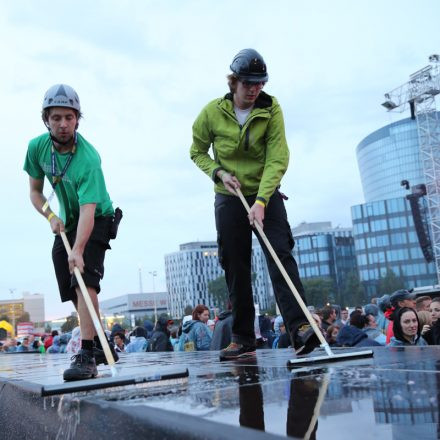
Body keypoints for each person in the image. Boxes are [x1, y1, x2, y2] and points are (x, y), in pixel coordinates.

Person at [190, 48, 318, 360]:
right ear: (233, 82)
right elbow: (196, 152)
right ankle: (242, 337)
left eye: (259, 83)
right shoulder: (211, 113)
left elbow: (278, 156)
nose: (254, 89)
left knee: (280, 254)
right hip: (229, 196)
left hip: (266, 192)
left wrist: (262, 199)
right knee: (236, 264)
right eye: (248, 83)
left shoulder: (271, 109)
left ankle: (300, 328)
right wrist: (218, 172)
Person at [23, 84, 119, 381]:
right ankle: (102, 343)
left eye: (69, 117)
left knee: (84, 280)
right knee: (73, 286)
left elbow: (89, 211)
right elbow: (35, 192)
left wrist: (77, 249)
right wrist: (50, 215)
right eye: (56, 118)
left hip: (98, 217)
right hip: (67, 220)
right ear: (46, 120)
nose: (63, 124)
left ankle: (87, 354)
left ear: (77, 119)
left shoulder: (88, 159)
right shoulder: (36, 147)